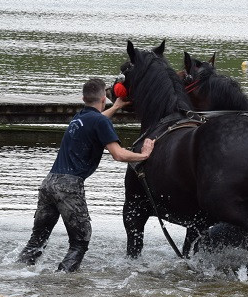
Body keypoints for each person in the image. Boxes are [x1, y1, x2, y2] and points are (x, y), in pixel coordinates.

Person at [17, 78, 155, 272]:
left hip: (48, 183)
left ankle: (17, 272)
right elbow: (118, 154)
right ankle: (62, 278)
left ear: (83, 98)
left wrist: (115, 107)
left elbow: (98, 120)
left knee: (37, 240)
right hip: (68, 187)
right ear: (103, 99)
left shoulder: (79, 117)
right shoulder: (98, 121)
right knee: (80, 241)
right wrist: (145, 154)